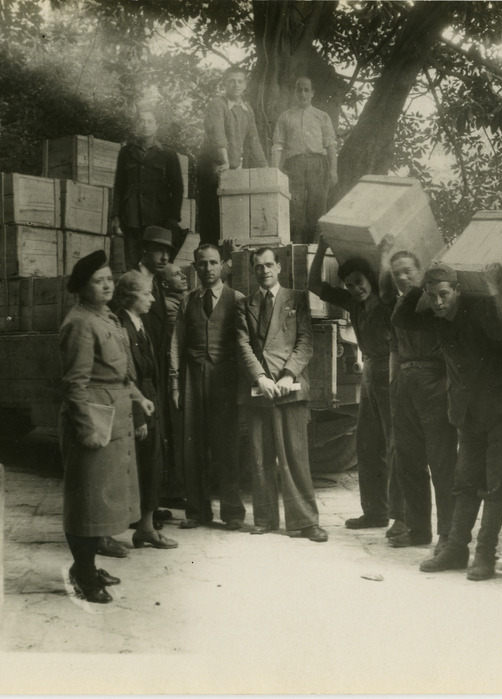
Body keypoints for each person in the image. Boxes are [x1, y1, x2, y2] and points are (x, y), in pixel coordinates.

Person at [395, 263, 502, 582]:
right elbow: (400, 319)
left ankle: (485, 555)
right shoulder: (436, 319)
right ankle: (455, 549)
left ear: (458, 292)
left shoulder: (480, 312)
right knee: (464, 482)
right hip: (467, 412)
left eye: (444, 295)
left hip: (501, 410)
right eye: (432, 296)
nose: (438, 302)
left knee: (495, 484)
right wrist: (415, 286)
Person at [58, 250, 154, 603]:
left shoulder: (108, 318)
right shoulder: (80, 323)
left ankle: (87, 566)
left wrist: (138, 397)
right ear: (82, 288)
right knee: (86, 505)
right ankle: (83, 574)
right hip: (94, 422)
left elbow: (118, 374)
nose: (107, 285)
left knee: (101, 504)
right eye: (98, 281)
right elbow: (74, 385)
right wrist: (87, 432)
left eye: (109, 279)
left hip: (114, 417)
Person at [308, 237, 405, 535]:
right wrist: (321, 247)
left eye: (359, 281)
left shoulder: (387, 300)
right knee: (366, 444)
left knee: (395, 446)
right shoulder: (353, 302)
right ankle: (375, 512)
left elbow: (388, 284)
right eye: (349, 284)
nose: (354, 288)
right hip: (370, 373)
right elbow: (314, 285)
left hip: (391, 368)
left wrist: (385, 253)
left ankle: (402, 517)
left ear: (370, 280)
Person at [235, 247, 328, 542]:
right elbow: (243, 345)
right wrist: (260, 377)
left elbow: (305, 341)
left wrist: (288, 375)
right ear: (253, 271)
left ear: (279, 267)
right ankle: (264, 519)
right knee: (261, 456)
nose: (264, 271)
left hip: (290, 387)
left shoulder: (297, 298)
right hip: (258, 388)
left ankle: (306, 522)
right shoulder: (244, 304)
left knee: (295, 457)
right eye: (258, 267)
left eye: (269, 265)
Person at [169, 244, 247, 530]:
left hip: (224, 380)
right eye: (202, 264)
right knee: (193, 447)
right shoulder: (187, 301)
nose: (208, 269)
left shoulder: (237, 299)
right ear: (195, 266)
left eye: (213, 263)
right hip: (192, 376)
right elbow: (176, 343)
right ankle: (197, 512)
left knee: (227, 446)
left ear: (222, 266)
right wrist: (175, 384)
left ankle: (233, 513)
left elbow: (244, 345)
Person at [386, 250, 457, 551]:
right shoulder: (402, 304)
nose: (402, 277)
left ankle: (448, 534)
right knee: (408, 460)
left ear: (421, 271)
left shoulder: (433, 303)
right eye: (396, 273)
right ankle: (417, 529)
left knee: (441, 462)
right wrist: (393, 385)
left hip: (433, 382)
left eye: (408, 271)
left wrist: (418, 287)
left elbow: (409, 317)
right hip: (405, 384)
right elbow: (395, 343)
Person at [113, 271, 178, 550]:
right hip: (138, 406)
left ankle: (145, 527)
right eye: (147, 294)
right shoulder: (122, 327)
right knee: (143, 467)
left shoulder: (139, 323)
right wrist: (137, 415)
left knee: (152, 465)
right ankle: (144, 529)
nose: (152, 299)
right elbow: (126, 376)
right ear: (130, 297)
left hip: (150, 400)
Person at [197, 66, 268, 246]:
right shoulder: (217, 104)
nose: (236, 84)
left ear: (245, 85)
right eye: (231, 81)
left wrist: (265, 167)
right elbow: (218, 134)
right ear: (225, 83)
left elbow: (253, 140)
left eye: (240, 81)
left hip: (230, 168)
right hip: (213, 165)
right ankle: (207, 255)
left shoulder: (247, 110)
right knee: (212, 216)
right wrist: (226, 161)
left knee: (231, 217)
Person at [111, 107, 186, 268]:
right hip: (131, 217)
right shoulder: (126, 153)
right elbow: (119, 185)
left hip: (158, 218)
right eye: (141, 121)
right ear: (135, 126)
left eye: (150, 121)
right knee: (132, 263)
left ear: (156, 126)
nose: (145, 125)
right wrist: (115, 216)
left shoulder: (168, 154)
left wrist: (173, 218)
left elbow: (178, 188)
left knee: (157, 263)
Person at [271, 77, 338, 244]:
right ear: (295, 92)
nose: (302, 93)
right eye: (299, 90)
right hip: (294, 166)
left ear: (312, 93)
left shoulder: (322, 117)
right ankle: (297, 248)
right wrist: (276, 171)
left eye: (306, 90)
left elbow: (330, 145)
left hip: (317, 165)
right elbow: (278, 145)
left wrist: (333, 170)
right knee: (295, 208)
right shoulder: (285, 117)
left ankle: (315, 248)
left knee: (317, 206)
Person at [156, 262, 189, 507]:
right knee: (174, 432)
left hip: (173, 374)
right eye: (177, 275)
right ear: (165, 284)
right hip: (171, 377)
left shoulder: (176, 301)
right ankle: (173, 489)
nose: (184, 276)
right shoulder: (170, 307)